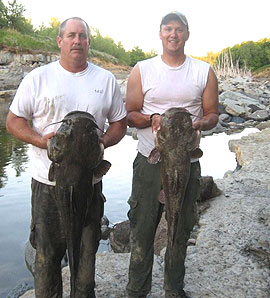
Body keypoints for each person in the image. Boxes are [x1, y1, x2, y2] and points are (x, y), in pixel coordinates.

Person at [6, 17, 126, 298]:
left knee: (86, 258)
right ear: (60, 41)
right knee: (47, 258)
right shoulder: (38, 78)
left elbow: (120, 123)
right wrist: (40, 141)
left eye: (82, 36)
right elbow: (13, 121)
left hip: (89, 185)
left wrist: (103, 142)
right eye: (71, 35)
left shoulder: (105, 79)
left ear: (88, 43)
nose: (77, 41)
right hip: (47, 187)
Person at [125, 11, 219, 298]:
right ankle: (136, 289)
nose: (173, 34)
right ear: (160, 33)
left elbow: (213, 113)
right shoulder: (142, 69)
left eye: (179, 30)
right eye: (168, 29)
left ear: (187, 34)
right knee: (142, 226)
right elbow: (130, 114)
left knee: (181, 225)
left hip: (187, 161)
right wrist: (151, 118)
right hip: (150, 161)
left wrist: (202, 122)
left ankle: (173, 287)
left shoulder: (204, 71)